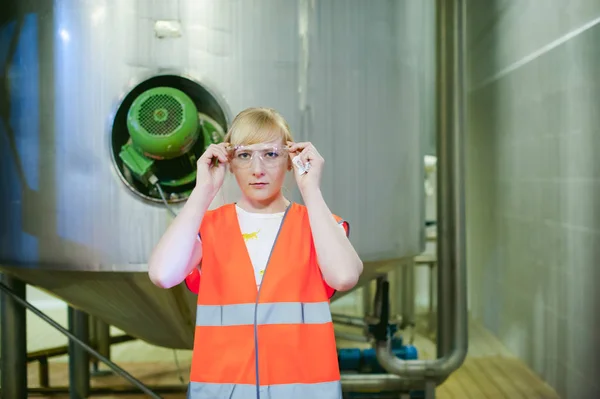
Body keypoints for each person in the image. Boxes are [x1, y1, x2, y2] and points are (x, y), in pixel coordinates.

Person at [147, 107, 363, 399]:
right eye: (245, 155)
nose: (257, 169)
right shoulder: (208, 228)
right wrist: (203, 191)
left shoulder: (317, 224)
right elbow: (162, 274)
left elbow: (345, 276)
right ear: (229, 162)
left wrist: (311, 189)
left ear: (290, 160)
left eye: (271, 154)